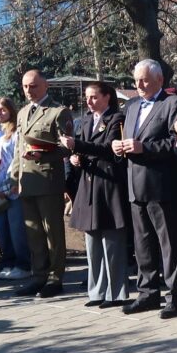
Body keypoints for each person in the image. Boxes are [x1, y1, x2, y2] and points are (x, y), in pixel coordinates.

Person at [115, 59, 177, 318]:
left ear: (159, 80)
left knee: (169, 245)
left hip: (161, 185)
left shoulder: (172, 104)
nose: (139, 84)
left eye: (144, 80)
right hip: (135, 185)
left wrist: (143, 148)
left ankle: (174, 297)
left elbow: (174, 145)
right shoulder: (132, 105)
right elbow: (128, 139)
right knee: (142, 244)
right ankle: (147, 294)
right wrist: (119, 146)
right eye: (136, 80)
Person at [60, 82, 130, 308]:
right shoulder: (87, 120)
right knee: (92, 243)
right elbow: (85, 149)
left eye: (93, 97)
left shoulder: (116, 118)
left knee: (111, 242)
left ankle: (115, 293)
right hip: (89, 185)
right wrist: (75, 158)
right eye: (87, 97)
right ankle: (97, 291)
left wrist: (78, 146)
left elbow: (109, 148)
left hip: (108, 186)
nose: (88, 102)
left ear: (107, 97)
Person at [10, 70, 74, 298]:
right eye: (25, 86)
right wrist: (15, 176)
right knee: (34, 233)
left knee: (52, 232)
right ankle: (38, 277)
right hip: (27, 181)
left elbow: (67, 147)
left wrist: (43, 157)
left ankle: (56, 278)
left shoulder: (58, 112)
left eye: (34, 86)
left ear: (46, 85)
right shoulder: (23, 112)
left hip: (48, 181)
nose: (29, 90)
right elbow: (19, 148)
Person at [0, 97, 30, 281]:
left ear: (11, 111)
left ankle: (23, 265)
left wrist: (6, 188)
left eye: (3, 109)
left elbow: (16, 163)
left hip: (12, 193)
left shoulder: (16, 135)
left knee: (17, 230)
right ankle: (8, 263)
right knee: (2, 231)